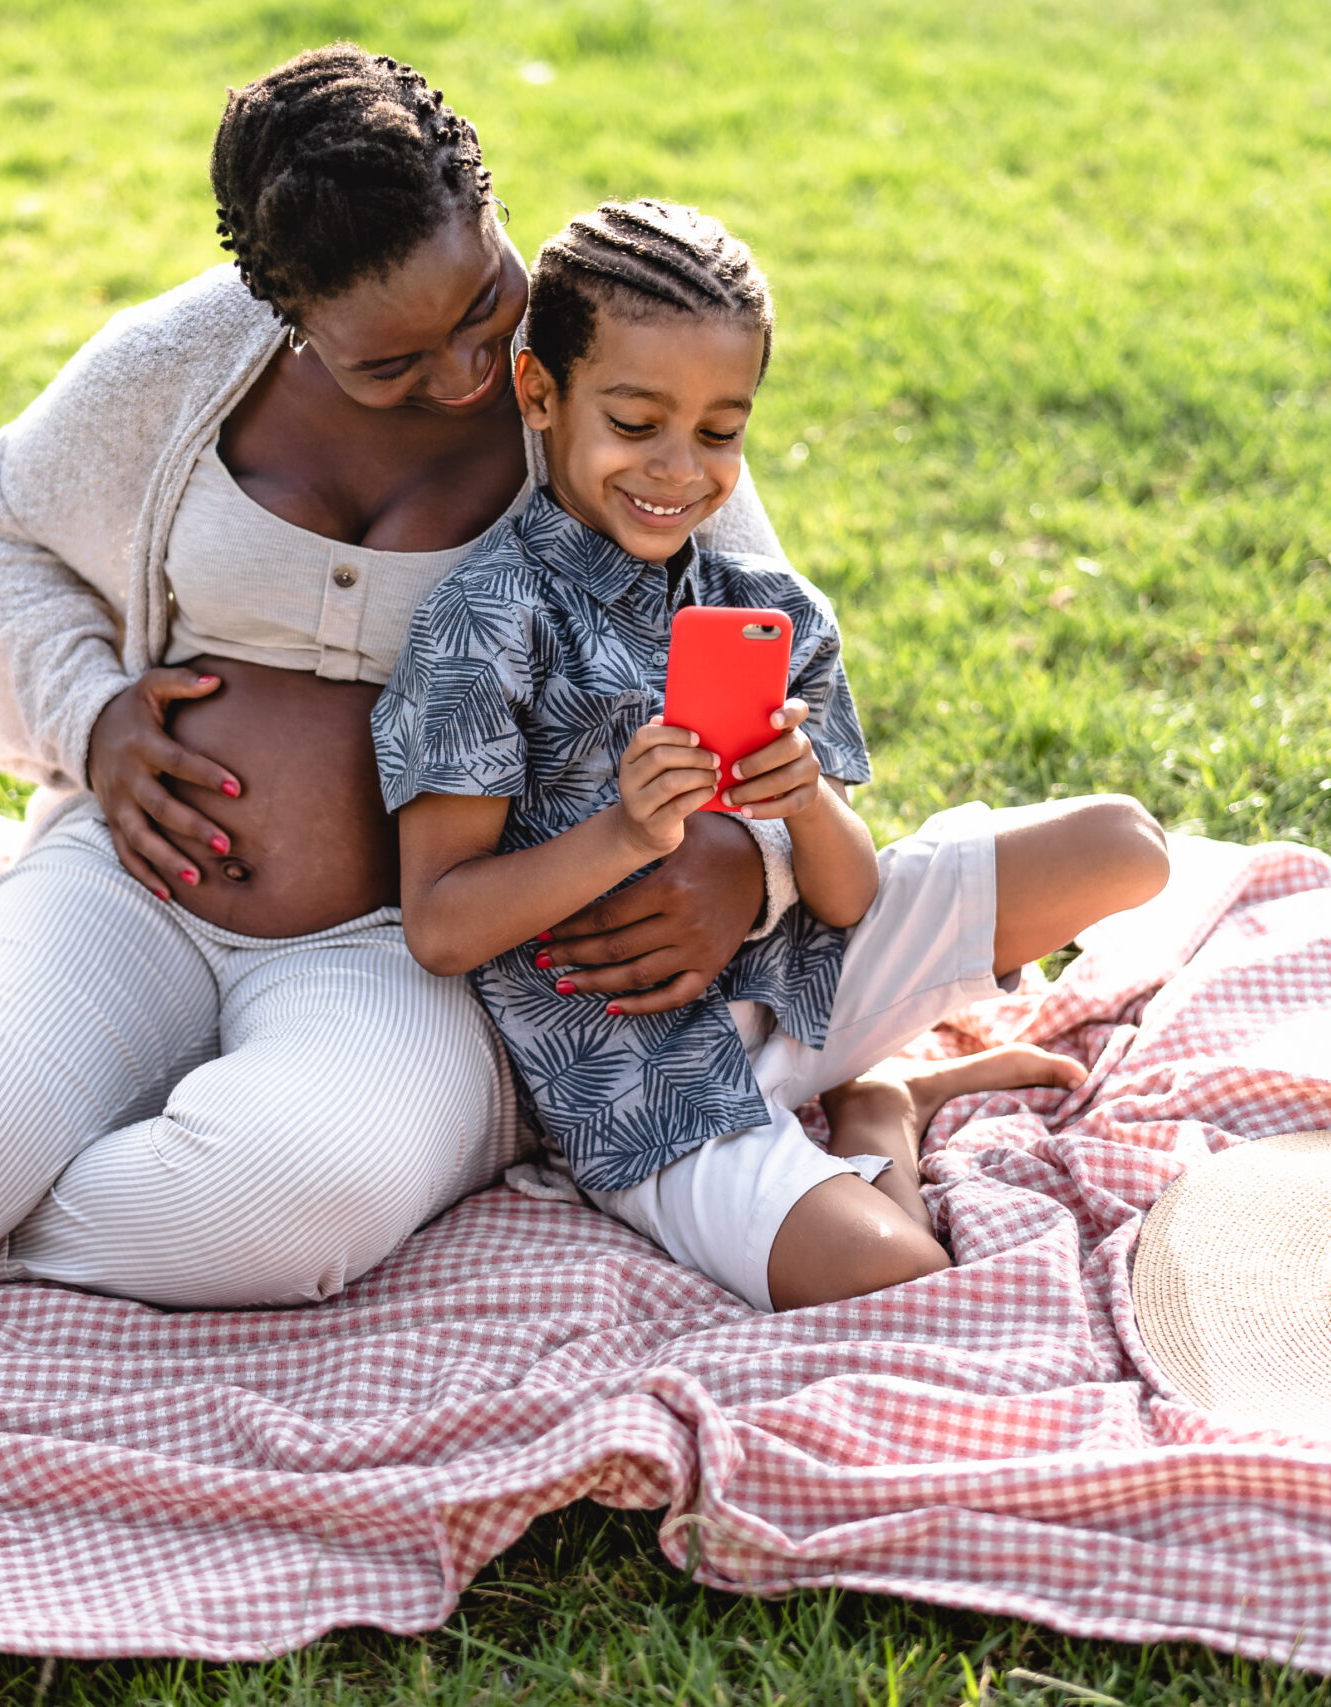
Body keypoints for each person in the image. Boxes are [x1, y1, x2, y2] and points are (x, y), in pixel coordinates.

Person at [0, 50, 1116, 1707]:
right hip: (136, 884)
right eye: (390, 362)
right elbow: (3, 522)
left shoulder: (597, 378)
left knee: (287, 1206)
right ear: (284, 316)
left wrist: (733, 863)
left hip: (396, 950)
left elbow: (734, 650)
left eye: (478, 316)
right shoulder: (176, 368)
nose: (461, 377)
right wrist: (94, 727)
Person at [376, 200, 1173, 1312]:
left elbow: (846, 900)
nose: (678, 468)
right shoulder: (485, 622)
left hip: (804, 976)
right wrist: (621, 836)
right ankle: (879, 1107)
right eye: (637, 421)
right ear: (540, 394)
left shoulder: (772, 610)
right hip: (640, 1076)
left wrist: (803, 811)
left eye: (719, 431)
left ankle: (857, 1074)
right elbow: (440, 925)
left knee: (1125, 848)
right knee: (899, 1273)